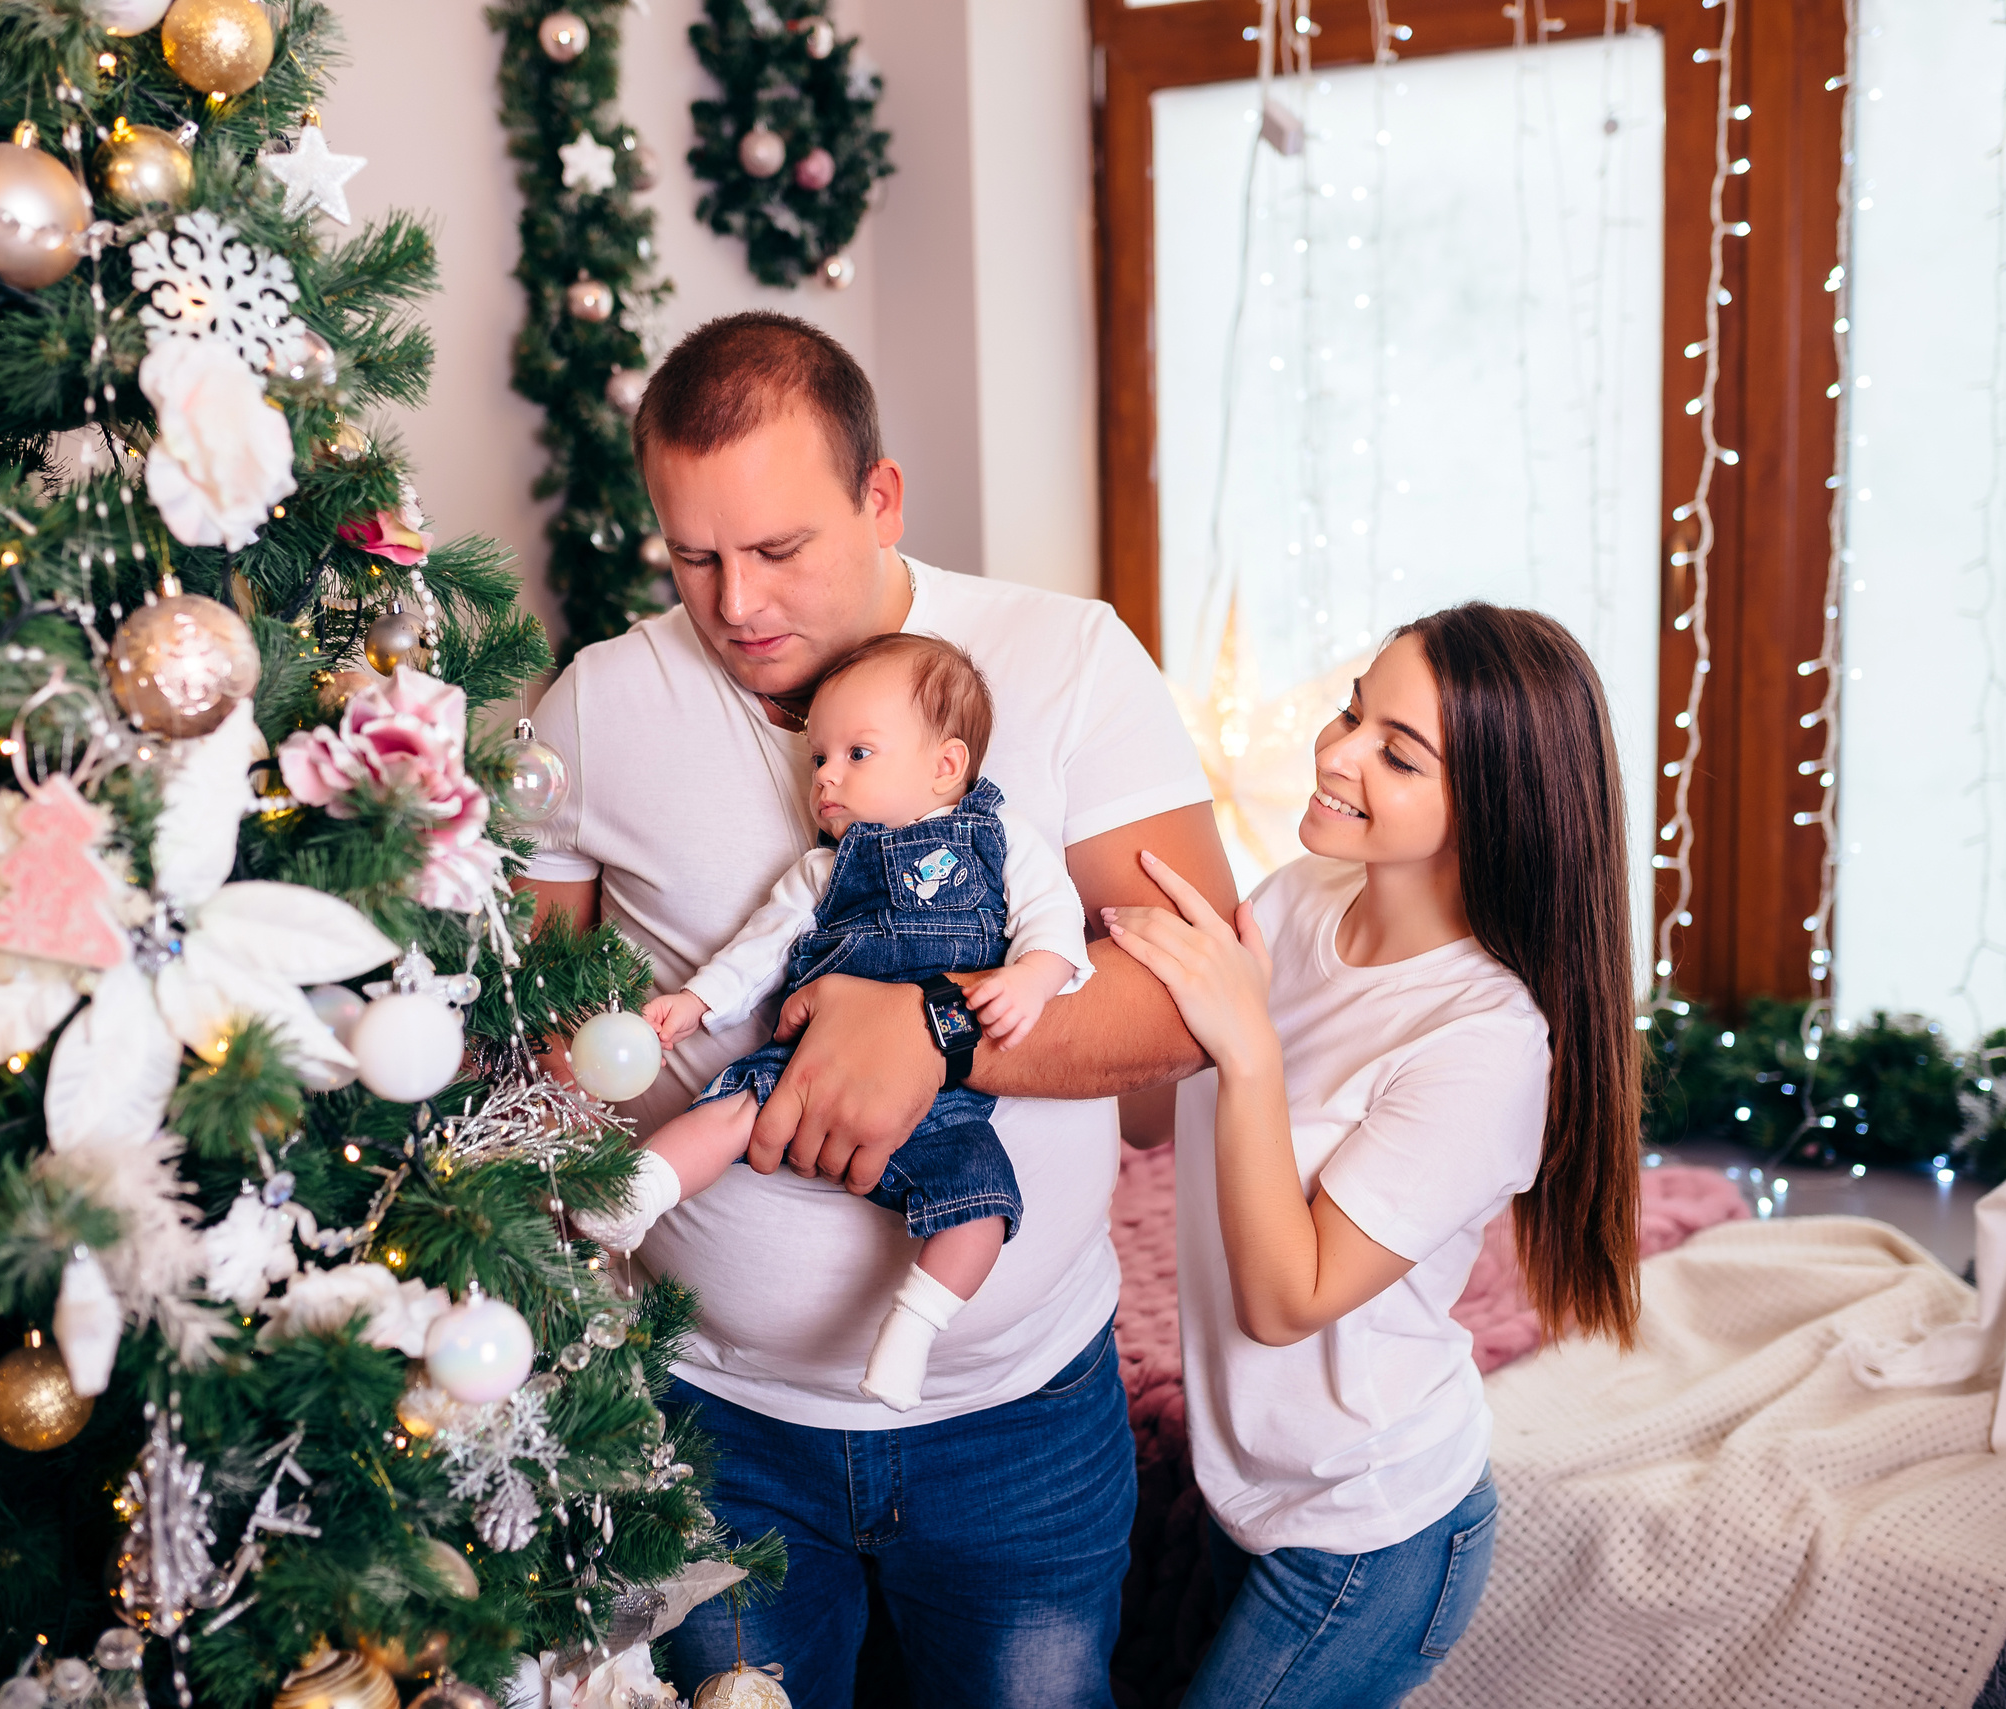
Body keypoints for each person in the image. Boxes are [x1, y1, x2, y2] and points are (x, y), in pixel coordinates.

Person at [517, 310, 1231, 1708]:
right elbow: (539, 1028)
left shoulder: (1066, 658)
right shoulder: (601, 703)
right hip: (707, 1424)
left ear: (881, 495)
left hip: (1018, 1414)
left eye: (780, 549)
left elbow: (1202, 992)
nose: (736, 605)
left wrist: (936, 1035)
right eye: (695, 555)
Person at [1104, 603, 1643, 1709]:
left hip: (1372, 1532)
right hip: (1240, 1483)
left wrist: (1246, 1045)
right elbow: (1150, 1119)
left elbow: (1282, 1296)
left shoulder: (1484, 1046)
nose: (1336, 751)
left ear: (1490, 808)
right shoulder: (1297, 900)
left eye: (1396, 753)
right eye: (1354, 710)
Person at [582, 633, 1091, 1412]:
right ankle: (637, 1195)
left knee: (983, 1211)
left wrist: (1033, 976)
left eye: (858, 752)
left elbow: (1053, 918)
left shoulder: (995, 842)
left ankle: (912, 1330)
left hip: (945, 1108)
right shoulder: (824, 870)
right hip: (805, 1066)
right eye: (818, 757)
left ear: (945, 766)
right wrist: (697, 1001)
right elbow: (758, 948)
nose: (826, 776)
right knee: (723, 1112)